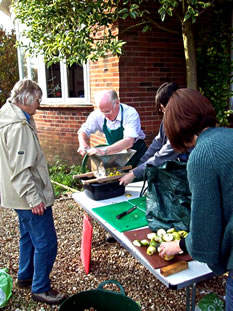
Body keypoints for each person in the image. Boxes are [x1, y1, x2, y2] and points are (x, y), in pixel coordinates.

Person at [159, 88, 233, 310]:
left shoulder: (202, 155)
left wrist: (179, 245)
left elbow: (205, 234)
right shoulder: (229, 135)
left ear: (175, 126)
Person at [0, 79, 66, 305]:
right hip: (28, 196)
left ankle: (25, 276)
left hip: (16, 196)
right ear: (26, 99)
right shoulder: (18, 126)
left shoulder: (7, 115)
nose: (39, 103)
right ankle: (40, 288)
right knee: (47, 242)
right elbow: (20, 169)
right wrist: (34, 198)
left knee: (27, 236)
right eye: (38, 99)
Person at [120, 82, 190, 186]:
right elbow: (157, 144)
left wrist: (136, 173)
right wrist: (141, 164)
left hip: (189, 170)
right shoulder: (167, 120)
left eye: (163, 107)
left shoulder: (183, 124)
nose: (162, 111)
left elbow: (163, 155)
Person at [77, 89, 147, 168]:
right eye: (102, 112)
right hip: (115, 156)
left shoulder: (130, 113)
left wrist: (104, 151)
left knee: (136, 179)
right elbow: (83, 130)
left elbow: (129, 141)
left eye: (108, 111)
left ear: (117, 103)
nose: (105, 115)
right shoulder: (98, 114)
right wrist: (83, 144)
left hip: (136, 155)